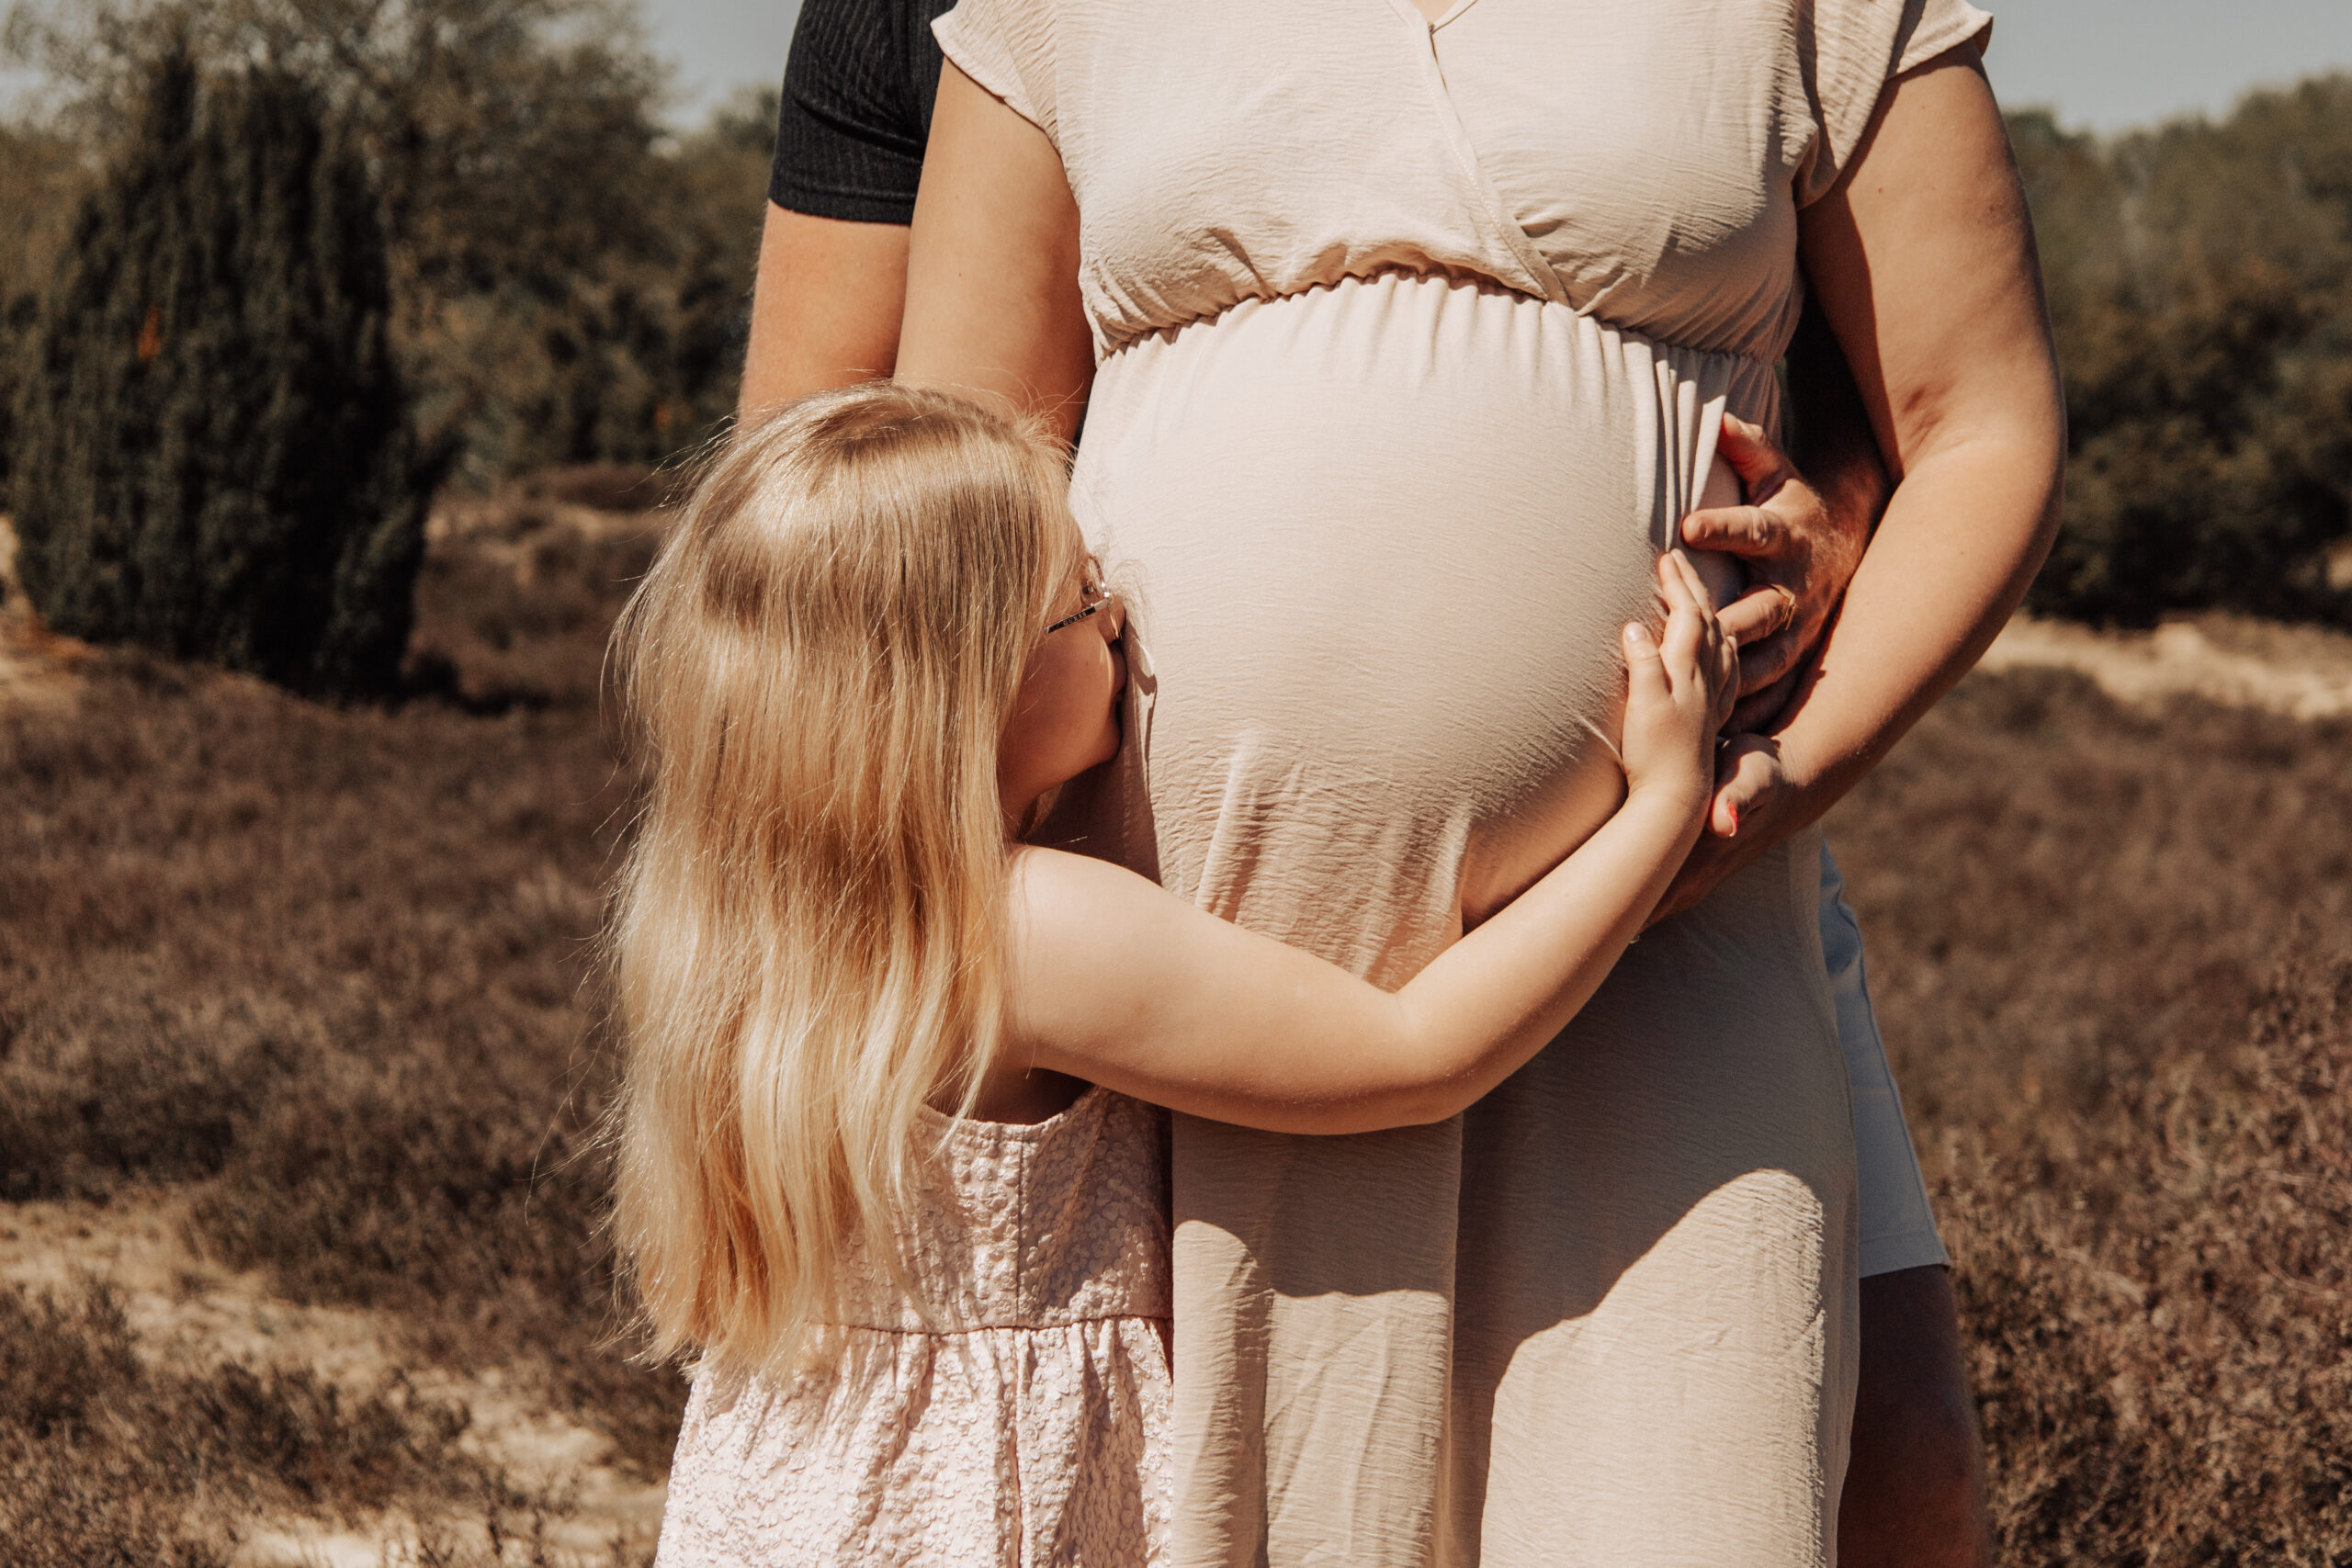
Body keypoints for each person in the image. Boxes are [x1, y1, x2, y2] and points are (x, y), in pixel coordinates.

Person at [738, 3, 2007, 1562]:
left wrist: (1778, 768)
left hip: (1675, 928)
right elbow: (949, 486)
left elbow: (1978, 420)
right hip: (1191, 979)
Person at [614, 379, 1738, 1563]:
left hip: (786, 1481)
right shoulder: (1026, 926)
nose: (1118, 625)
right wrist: (1662, 806)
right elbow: (1413, 1054)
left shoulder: (738, 931)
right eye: (1081, 600)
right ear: (963, 689)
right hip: (985, 1506)